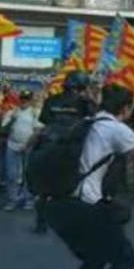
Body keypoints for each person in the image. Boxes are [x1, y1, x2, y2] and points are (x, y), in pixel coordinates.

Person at [44, 84, 134, 269]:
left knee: (95, 259)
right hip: (85, 206)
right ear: (126, 108)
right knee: (125, 259)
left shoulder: (86, 123)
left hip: (57, 203)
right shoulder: (115, 129)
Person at [34, 70, 97, 234]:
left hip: (49, 146)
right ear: (80, 88)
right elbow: (93, 121)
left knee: (44, 187)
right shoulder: (85, 103)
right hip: (74, 148)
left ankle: (41, 222)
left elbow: (44, 122)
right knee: (77, 186)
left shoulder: (51, 100)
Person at [0, 90, 43, 211]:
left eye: (27, 99)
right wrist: (12, 119)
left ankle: (28, 199)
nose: (24, 101)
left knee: (27, 175)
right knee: (11, 175)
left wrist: (28, 145)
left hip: (29, 146)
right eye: (22, 99)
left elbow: (38, 131)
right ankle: (12, 200)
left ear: (30, 100)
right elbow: (3, 130)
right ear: (19, 99)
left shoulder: (35, 113)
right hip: (12, 146)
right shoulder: (12, 112)